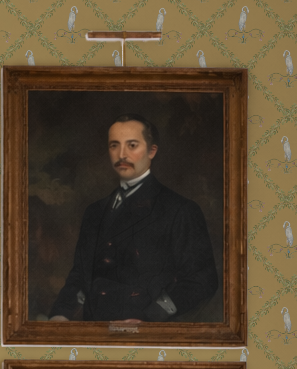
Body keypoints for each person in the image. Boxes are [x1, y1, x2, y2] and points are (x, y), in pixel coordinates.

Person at [48, 115, 218, 323]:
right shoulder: (94, 211)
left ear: (152, 151)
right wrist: (61, 313)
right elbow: (80, 276)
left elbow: (202, 279)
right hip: (94, 329)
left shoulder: (179, 209)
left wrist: (150, 318)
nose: (122, 154)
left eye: (132, 145)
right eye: (114, 145)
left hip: (147, 333)